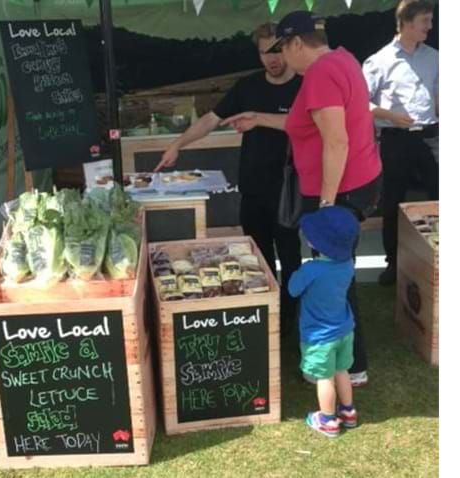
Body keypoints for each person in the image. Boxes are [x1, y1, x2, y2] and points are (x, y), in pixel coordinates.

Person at [222, 11, 382, 387]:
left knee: (334, 277)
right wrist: (258, 118)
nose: (281, 60)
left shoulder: (322, 74)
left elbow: (336, 140)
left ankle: (351, 365)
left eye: (283, 49)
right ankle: (343, 358)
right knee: (338, 275)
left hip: (338, 191)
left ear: (296, 43)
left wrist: (326, 205)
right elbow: (305, 123)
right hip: (357, 183)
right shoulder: (343, 59)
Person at [153, 23, 302, 334]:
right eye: (264, 53)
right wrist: (178, 144)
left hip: (290, 187)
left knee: (290, 256)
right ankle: (263, 313)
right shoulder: (247, 86)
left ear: (289, 48)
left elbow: (306, 124)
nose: (272, 59)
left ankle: (292, 317)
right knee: (257, 255)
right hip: (253, 186)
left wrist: (260, 119)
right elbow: (211, 119)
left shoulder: (305, 85)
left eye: (276, 50)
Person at [362, 0, 439, 286]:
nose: (430, 27)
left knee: (439, 199)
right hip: (396, 140)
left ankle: (437, 260)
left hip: (431, 137)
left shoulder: (435, 57)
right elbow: (360, 103)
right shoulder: (379, 61)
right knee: (394, 203)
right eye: (425, 21)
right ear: (406, 22)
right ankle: (393, 264)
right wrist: (389, 115)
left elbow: (440, 97)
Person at [288, 206, 360, 438]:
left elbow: (292, 289)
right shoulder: (347, 264)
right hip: (344, 329)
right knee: (342, 370)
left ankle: (327, 419)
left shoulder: (312, 269)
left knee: (324, 378)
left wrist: (296, 274)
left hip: (319, 336)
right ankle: (348, 411)